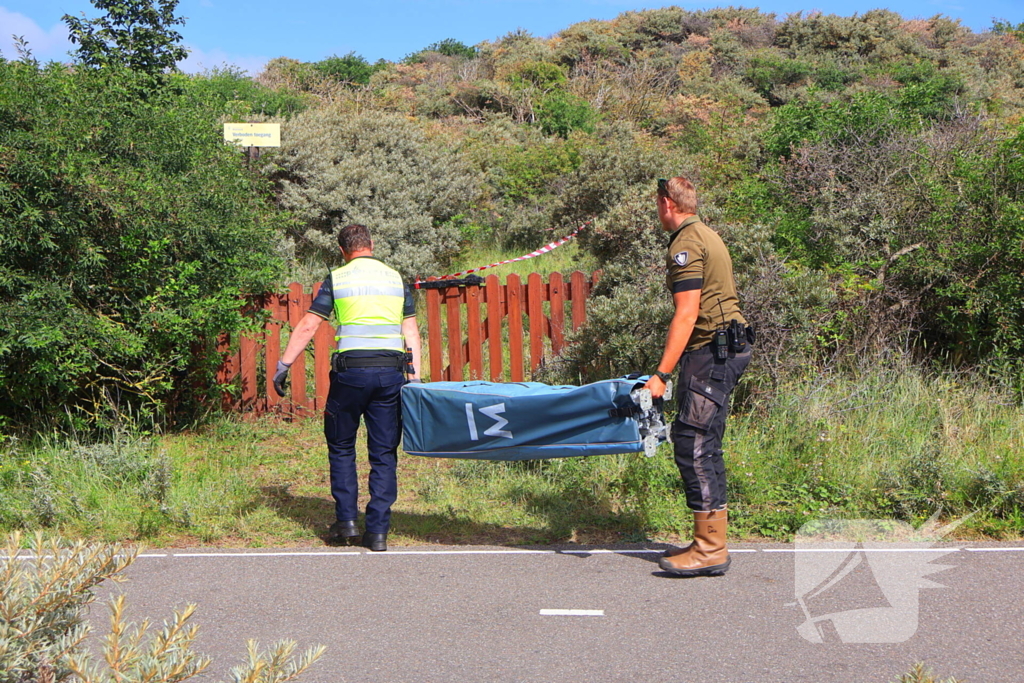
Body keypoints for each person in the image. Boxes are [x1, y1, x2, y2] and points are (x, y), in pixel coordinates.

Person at [273, 224, 421, 552]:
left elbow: (310, 324)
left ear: (342, 250)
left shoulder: (338, 279)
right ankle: (378, 532)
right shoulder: (395, 279)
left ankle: (347, 523)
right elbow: (411, 331)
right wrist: (416, 380)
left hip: (350, 375)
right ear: (372, 244)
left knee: (341, 445)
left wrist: (284, 365)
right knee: (384, 452)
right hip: (390, 375)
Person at [645, 177, 753, 577]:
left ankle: (710, 548)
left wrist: (661, 374)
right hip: (721, 350)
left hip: (712, 352)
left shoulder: (687, 243)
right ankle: (708, 540)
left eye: (657, 205)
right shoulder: (707, 233)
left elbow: (687, 313)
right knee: (704, 442)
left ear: (667, 204)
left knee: (694, 444)